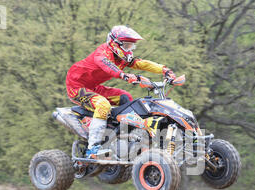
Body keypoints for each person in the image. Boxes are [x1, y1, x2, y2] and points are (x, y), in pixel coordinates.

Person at [66, 25, 176, 158]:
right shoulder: (102, 53)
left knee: (126, 97)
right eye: (127, 46)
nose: (129, 50)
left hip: (94, 86)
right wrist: (124, 75)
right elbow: (108, 66)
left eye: (131, 46)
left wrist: (164, 70)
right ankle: (93, 148)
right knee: (103, 105)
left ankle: (121, 137)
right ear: (115, 44)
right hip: (76, 86)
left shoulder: (122, 58)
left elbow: (142, 63)